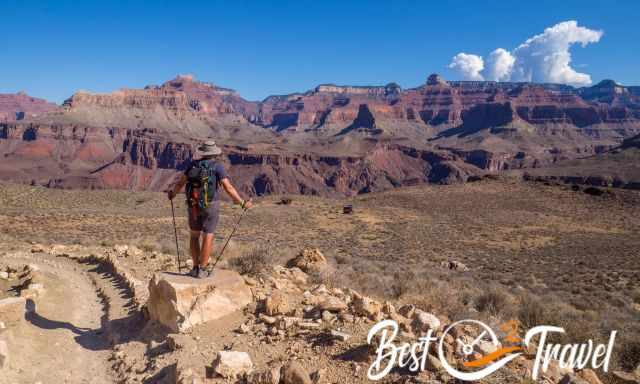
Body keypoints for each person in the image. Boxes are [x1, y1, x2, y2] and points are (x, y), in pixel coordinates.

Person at [167, 140, 252, 278]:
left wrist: (173, 194)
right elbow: (228, 187)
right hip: (211, 205)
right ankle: (203, 270)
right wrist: (242, 203)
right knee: (208, 236)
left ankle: (194, 268)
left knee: (194, 236)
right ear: (214, 153)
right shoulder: (217, 167)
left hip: (193, 204)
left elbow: (180, 183)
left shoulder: (192, 165)